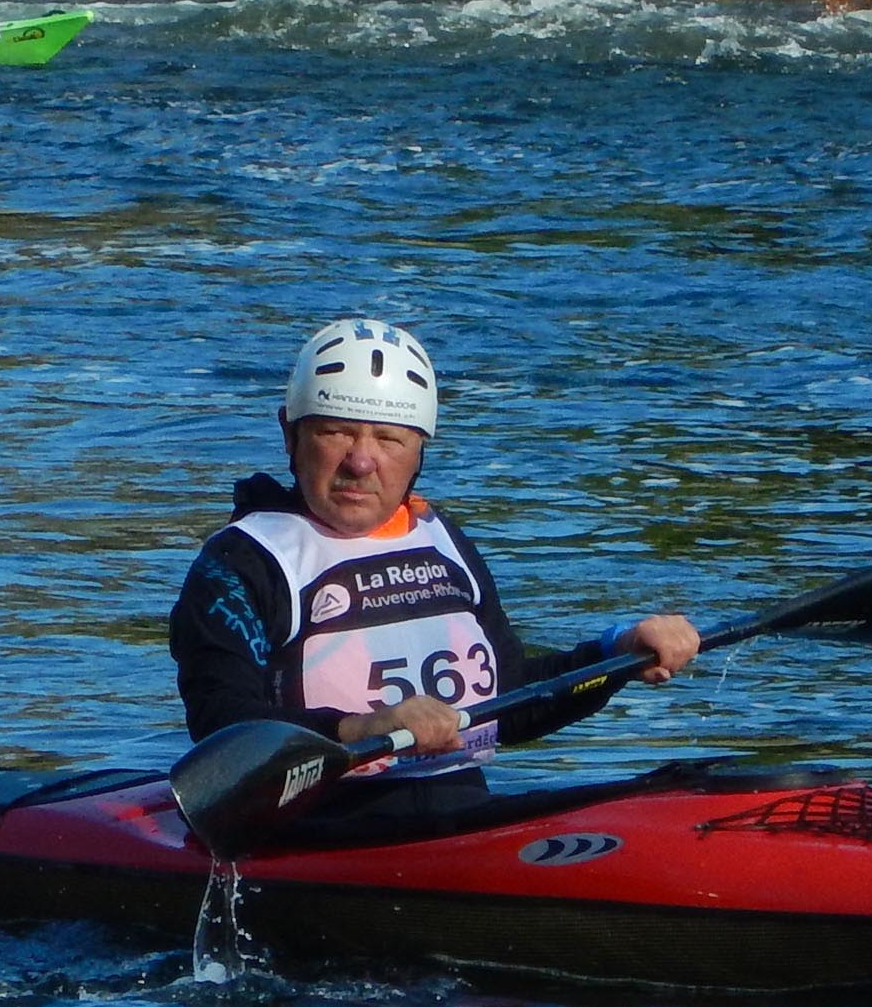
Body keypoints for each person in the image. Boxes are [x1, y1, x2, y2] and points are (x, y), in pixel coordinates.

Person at [170, 318, 699, 826]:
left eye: (388, 439)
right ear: (290, 435)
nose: (361, 461)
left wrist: (617, 655)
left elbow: (510, 702)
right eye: (335, 432)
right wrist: (363, 728)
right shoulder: (241, 566)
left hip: (459, 821)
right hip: (317, 832)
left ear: (420, 450)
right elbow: (221, 722)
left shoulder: (440, 540)